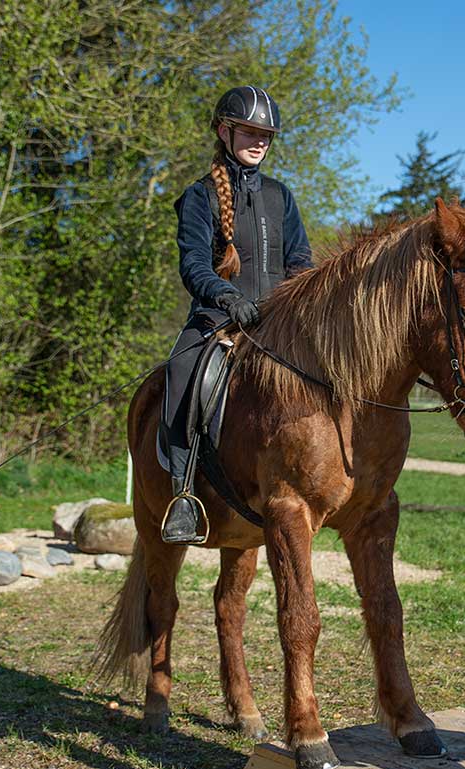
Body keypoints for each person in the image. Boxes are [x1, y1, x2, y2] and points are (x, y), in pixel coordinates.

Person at [161, 85, 314, 543]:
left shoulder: (279, 196)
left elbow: (300, 261)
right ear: (225, 131)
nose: (259, 141)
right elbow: (194, 265)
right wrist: (228, 299)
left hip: (277, 326)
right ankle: (183, 495)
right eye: (250, 131)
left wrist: (298, 301)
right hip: (218, 321)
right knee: (182, 370)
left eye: (266, 134)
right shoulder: (199, 196)